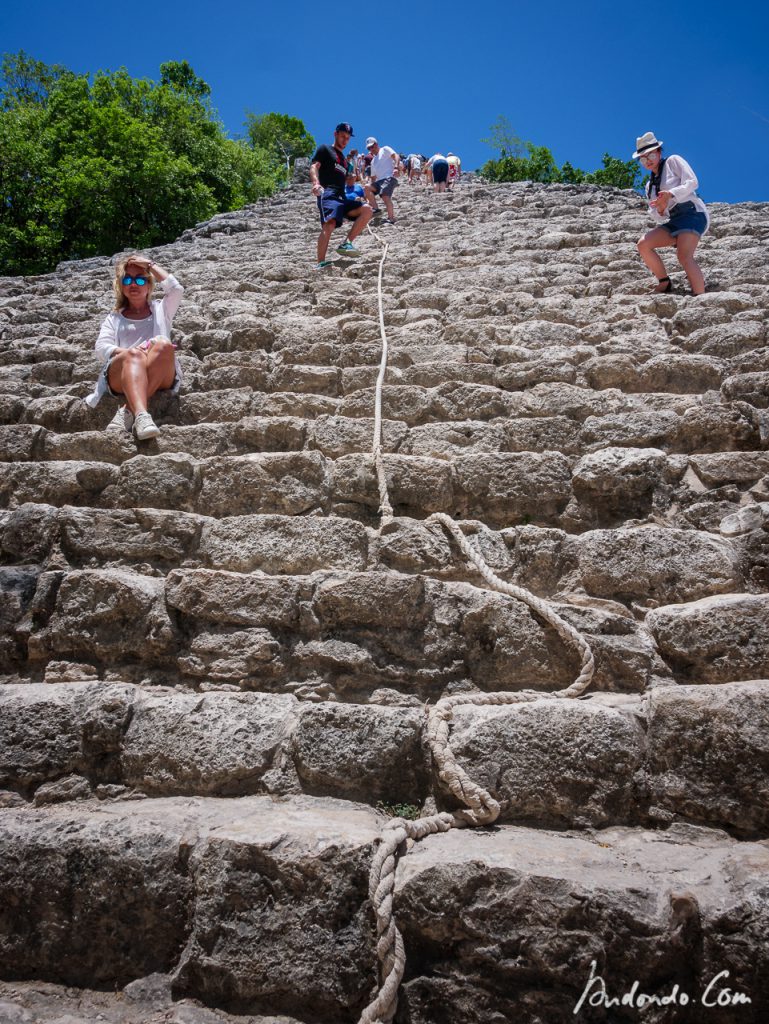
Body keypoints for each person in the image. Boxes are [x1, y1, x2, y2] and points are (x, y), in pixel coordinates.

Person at [86, 255, 183, 440]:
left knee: (164, 345)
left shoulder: (162, 310)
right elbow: (101, 346)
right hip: (122, 373)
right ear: (121, 285)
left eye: (140, 279)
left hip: (159, 369)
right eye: (127, 279)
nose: (133, 284)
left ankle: (128, 411)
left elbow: (176, 289)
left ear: (149, 285)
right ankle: (142, 416)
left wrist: (149, 264)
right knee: (132, 355)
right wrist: (133, 353)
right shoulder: (114, 318)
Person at [634, 131, 709, 295]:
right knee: (643, 244)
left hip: (692, 213)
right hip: (674, 219)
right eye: (643, 159)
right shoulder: (649, 186)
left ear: (659, 152)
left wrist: (671, 194)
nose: (648, 161)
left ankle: (701, 297)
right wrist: (661, 209)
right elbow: (655, 213)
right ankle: (664, 282)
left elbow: (692, 182)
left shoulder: (673, 161)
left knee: (684, 256)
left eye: (651, 156)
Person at [310, 122, 373, 270]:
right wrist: (315, 183)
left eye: (348, 138)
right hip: (328, 193)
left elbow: (347, 178)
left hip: (342, 197)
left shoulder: (344, 161)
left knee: (367, 210)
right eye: (343, 136)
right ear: (335, 134)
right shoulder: (325, 149)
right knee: (330, 223)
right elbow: (314, 167)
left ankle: (347, 242)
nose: (345, 140)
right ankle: (320, 262)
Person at [364, 137, 401, 224]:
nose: (371, 149)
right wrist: (370, 195)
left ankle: (391, 218)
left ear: (376, 144)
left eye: (372, 146)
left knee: (385, 196)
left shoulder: (385, 149)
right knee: (367, 187)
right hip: (379, 181)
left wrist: (396, 167)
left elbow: (396, 156)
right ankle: (376, 209)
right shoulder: (373, 161)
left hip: (389, 177)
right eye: (369, 148)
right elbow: (373, 177)